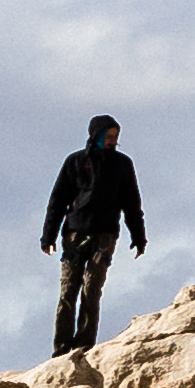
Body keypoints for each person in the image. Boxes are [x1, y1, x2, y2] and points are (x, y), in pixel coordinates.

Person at [41, 116, 146, 354]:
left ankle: (85, 345)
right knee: (69, 290)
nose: (112, 141)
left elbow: (132, 203)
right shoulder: (76, 161)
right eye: (108, 136)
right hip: (75, 235)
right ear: (96, 135)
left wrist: (139, 237)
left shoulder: (122, 164)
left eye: (115, 137)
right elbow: (57, 201)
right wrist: (48, 236)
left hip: (105, 237)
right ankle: (61, 348)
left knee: (92, 291)